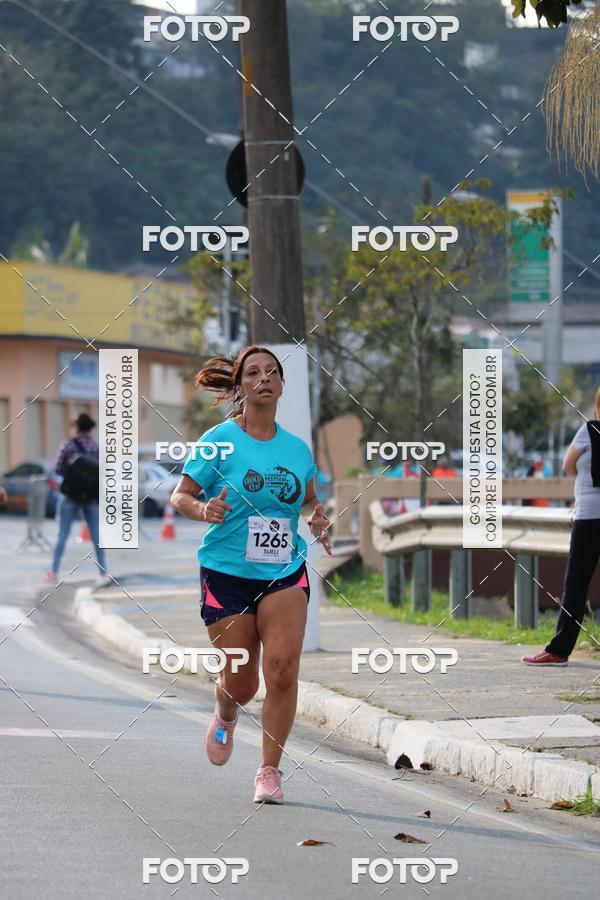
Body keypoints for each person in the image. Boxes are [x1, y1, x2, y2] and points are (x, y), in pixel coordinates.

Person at [170, 346, 332, 804]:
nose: (264, 378)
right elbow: (180, 496)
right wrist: (204, 509)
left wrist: (317, 516)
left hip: (283, 571)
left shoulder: (297, 449)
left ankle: (269, 770)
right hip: (226, 572)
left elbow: (306, 499)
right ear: (240, 386)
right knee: (243, 682)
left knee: (282, 669)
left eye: (272, 372)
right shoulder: (219, 440)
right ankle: (225, 711)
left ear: (281, 384)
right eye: (253, 373)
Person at [522, 389, 600, 666]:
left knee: (577, 584)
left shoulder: (589, 430)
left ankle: (558, 650)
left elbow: (568, 465)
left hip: (589, 516)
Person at [42, 413, 110, 587]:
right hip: (90, 498)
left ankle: (54, 571)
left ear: (77, 427)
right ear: (91, 428)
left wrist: (72, 476)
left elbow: (57, 468)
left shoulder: (68, 445)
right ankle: (103, 572)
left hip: (69, 496)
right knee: (96, 535)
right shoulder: (96, 447)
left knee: (62, 534)